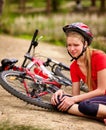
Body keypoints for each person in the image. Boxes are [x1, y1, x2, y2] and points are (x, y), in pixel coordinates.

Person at [51, 22, 106, 124]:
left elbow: (102, 90)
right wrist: (61, 93)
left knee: (84, 105)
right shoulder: (74, 67)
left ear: (85, 44)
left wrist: (73, 99)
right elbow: (75, 96)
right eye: (69, 45)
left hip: (102, 96)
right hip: (100, 102)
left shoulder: (99, 56)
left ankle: (100, 115)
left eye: (76, 45)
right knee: (60, 101)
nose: (72, 49)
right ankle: (101, 116)